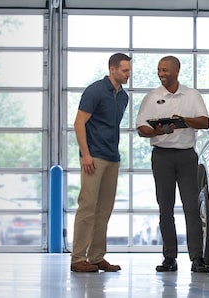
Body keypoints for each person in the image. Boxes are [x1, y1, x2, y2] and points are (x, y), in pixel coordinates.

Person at [135, 56, 209, 273]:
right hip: (162, 157)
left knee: (191, 209)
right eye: (159, 70)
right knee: (165, 208)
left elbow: (204, 122)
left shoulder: (192, 95)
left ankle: (197, 258)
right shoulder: (152, 97)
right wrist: (156, 130)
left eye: (166, 70)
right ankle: (169, 258)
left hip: (187, 157)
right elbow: (141, 128)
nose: (162, 74)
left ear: (177, 71)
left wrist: (184, 120)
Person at [70, 53, 131, 273]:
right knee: (87, 207)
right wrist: (85, 154)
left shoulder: (123, 97)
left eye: (129, 70)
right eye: (125, 70)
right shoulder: (94, 91)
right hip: (93, 157)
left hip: (112, 157)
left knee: (104, 210)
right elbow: (79, 123)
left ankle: (96, 257)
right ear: (112, 69)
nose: (128, 74)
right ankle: (78, 258)